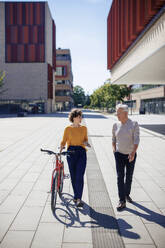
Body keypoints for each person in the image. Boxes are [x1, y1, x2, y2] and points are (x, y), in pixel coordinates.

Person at [60, 109, 91, 207]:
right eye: (79, 117)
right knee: (73, 176)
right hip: (71, 152)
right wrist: (61, 149)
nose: (81, 118)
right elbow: (64, 141)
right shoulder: (68, 129)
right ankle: (76, 196)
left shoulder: (84, 129)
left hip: (81, 152)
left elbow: (85, 140)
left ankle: (78, 198)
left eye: (81, 116)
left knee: (79, 175)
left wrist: (87, 143)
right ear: (73, 118)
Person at [112, 104, 140, 211]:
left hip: (130, 155)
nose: (117, 115)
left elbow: (136, 140)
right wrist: (114, 150)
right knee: (120, 177)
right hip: (119, 154)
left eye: (118, 113)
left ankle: (126, 194)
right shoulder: (115, 125)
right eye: (117, 113)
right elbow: (113, 139)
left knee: (129, 177)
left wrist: (133, 152)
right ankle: (122, 200)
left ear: (125, 113)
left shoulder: (134, 124)